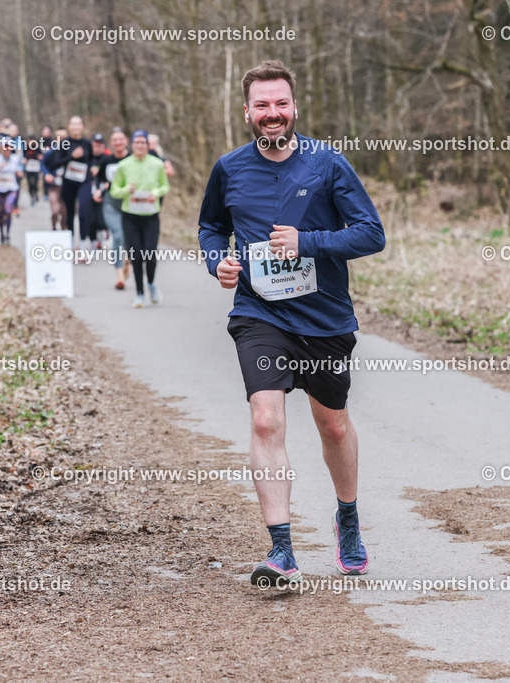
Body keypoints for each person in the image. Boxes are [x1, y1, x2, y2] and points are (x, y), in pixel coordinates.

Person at [197, 60, 385, 586]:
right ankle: (281, 550)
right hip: (260, 312)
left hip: (323, 318)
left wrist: (310, 243)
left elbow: (372, 233)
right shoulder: (229, 168)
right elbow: (211, 227)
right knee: (265, 419)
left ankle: (347, 518)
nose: (272, 114)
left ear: (294, 106)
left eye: (280, 104)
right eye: (262, 106)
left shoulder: (327, 164)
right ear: (248, 112)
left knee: (333, 424)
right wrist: (219, 261)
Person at [110, 129, 169, 307]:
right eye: (137, 142)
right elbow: (114, 190)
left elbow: (165, 186)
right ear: (132, 144)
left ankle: (150, 284)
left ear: (147, 145)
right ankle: (139, 294)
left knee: (150, 254)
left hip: (151, 216)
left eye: (143, 142)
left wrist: (156, 193)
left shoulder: (157, 164)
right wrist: (125, 190)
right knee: (136, 256)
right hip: (130, 217)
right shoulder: (124, 165)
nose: (140, 145)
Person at [54, 116, 95, 260]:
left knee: (83, 212)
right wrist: (71, 156)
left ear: (82, 127)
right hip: (69, 182)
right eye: (73, 124)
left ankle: (83, 247)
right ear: (69, 127)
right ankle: (70, 246)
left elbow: (91, 160)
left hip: (84, 182)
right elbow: (56, 162)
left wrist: (94, 167)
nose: (76, 127)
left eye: (79, 124)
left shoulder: (87, 143)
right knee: (70, 214)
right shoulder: (64, 143)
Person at [97, 128, 131, 289]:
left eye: (121, 139)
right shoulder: (106, 160)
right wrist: (98, 190)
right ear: (111, 143)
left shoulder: (133, 158)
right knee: (118, 235)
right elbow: (100, 180)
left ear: (126, 141)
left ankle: (127, 262)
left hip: (130, 203)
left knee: (130, 238)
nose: (118, 142)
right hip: (111, 203)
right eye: (115, 140)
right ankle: (119, 276)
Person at [0, 139, 24, 246]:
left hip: (11, 188)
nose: (7, 149)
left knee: (8, 210)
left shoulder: (15, 159)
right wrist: (0, 168)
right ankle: (1, 235)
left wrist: (19, 173)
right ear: (1, 148)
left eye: (9, 147)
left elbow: (20, 171)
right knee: (1, 212)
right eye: (5, 147)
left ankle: (7, 234)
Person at [42, 127, 69, 231]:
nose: (61, 140)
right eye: (59, 137)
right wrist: (47, 174)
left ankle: (64, 228)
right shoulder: (51, 152)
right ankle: (53, 227)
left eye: (64, 137)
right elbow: (43, 164)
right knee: (55, 210)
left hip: (66, 186)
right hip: (53, 185)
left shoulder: (71, 152)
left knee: (64, 210)